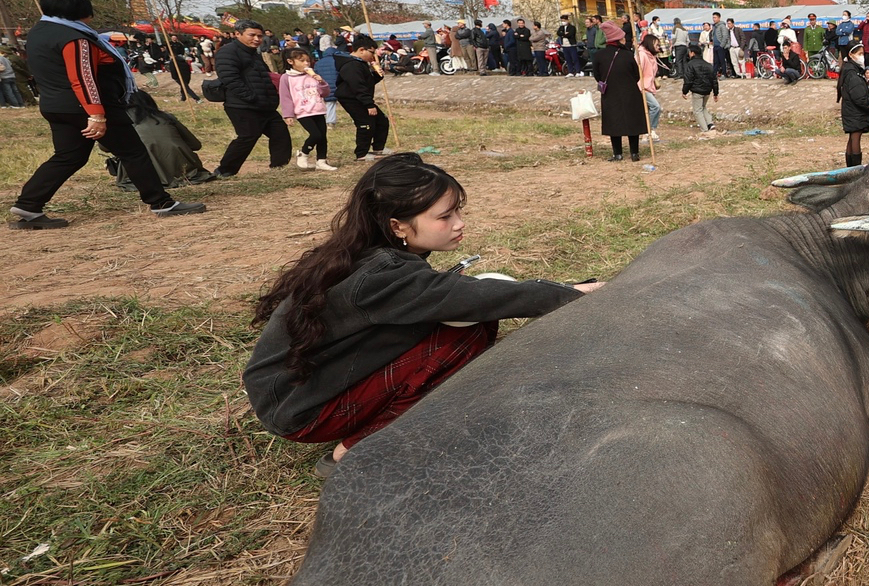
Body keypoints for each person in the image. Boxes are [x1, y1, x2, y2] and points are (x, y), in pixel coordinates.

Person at [245, 155, 602, 464]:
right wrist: (571, 293)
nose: (459, 223)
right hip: (298, 410)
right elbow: (478, 298)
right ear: (397, 225)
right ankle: (356, 449)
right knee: (465, 334)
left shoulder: (364, 254)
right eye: (445, 216)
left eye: (459, 211)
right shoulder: (382, 274)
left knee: (452, 323)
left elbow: (457, 294)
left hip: (293, 392)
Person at [9, 0, 207, 229]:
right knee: (133, 152)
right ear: (78, 12)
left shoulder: (39, 32)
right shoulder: (75, 38)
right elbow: (83, 78)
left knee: (69, 156)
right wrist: (96, 114)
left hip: (55, 105)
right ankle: (161, 202)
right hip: (88, 106)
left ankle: (29, 204)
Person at [213, 20, 294, 175]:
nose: (257, 39)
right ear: (238, 34)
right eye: (252, 35)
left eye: (259, 36)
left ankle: (279, 168)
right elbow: (230, 79)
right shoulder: (227, 52)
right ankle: (225, 171)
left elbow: (265, 76)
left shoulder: (254, 54)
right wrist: (251, 97)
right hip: (242, 105)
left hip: (265, 105)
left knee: (280, 133)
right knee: (248, 137)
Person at [593, 24, 646, 161]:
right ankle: (634, 153)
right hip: (630, 93)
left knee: (614, 122)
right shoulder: (628, 55)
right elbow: (637, 76)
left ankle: (617, 154)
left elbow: (597, 76)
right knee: (632, 122)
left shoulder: (599, 55)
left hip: (610, 92)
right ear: (618, 40)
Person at [279, 47, 337, 172]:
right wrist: (288, 114)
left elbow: (325, 93)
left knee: (322, 136)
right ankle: (303, 153)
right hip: (302, 111)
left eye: (308, 61)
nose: (306, 63)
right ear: (290, 61)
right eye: (302, 61)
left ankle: (321, 161)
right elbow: (285, 97)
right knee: (315, 134)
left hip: (318, 109)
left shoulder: (312, 75)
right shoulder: (286, 78)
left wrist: (321, 81)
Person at [336, 34, 391, 161]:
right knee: (366, 124)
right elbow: (358, 86)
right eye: (371, 52)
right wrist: (369, 104)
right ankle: (361, 153)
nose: (373, 56)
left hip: (360, 97)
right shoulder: (351, 65)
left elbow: (366, 83)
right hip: (351, 99)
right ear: (361, 50)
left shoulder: (361, 64)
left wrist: (377, 76)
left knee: (381, 121)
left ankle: (378, 148)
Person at [837, 40, 869, 168]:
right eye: (860, 53)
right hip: (855, 112)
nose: (862, 56)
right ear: (851, 55)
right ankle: (855, 169)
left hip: (850, 110)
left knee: (852, 138)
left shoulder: (850, 70)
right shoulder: (853, 74)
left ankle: (850, 169)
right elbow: (859, 97)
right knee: (855, 139)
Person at [681, 32, 719, 133]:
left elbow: (688, 80)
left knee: (697, 110)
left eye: (689, 52)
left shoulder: (690, 64)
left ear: (693, 53)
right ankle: (710, 124)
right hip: (707, 90)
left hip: (697, 91)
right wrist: (716, 93)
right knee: (703, 107)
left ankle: (705, 130)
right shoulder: (708, 65)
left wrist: (684, 91)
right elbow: (714, 80)